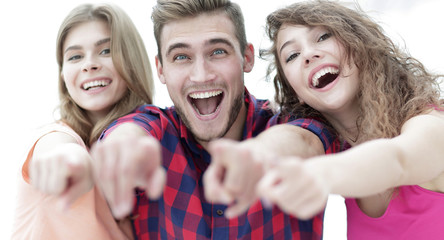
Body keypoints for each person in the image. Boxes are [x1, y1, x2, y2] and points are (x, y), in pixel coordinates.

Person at [91, 0, 340, 239]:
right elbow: (128, 134)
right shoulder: (154, 128)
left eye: (218, 52)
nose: (201, 75)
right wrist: (119, 149)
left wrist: (259, 153)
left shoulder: (290, 123)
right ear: (161, 70)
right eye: (181, 57)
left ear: (247, 57)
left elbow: (305, 141)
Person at [257, 1, 444, 239]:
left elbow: (398, 161)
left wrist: (314, 175)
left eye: (323, 36)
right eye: (292, 55)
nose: (308, 54)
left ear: (359, 45)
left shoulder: (430, 122)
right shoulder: (341, 153)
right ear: (296, 93)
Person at [12, 3, 154, 240]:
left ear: (132, 59)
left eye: (106, 51)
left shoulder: (148, 141)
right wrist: (70, 159)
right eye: (75, 56)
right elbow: (58, 150)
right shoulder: (54, 136)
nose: (89, 64)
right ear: (63, 74)